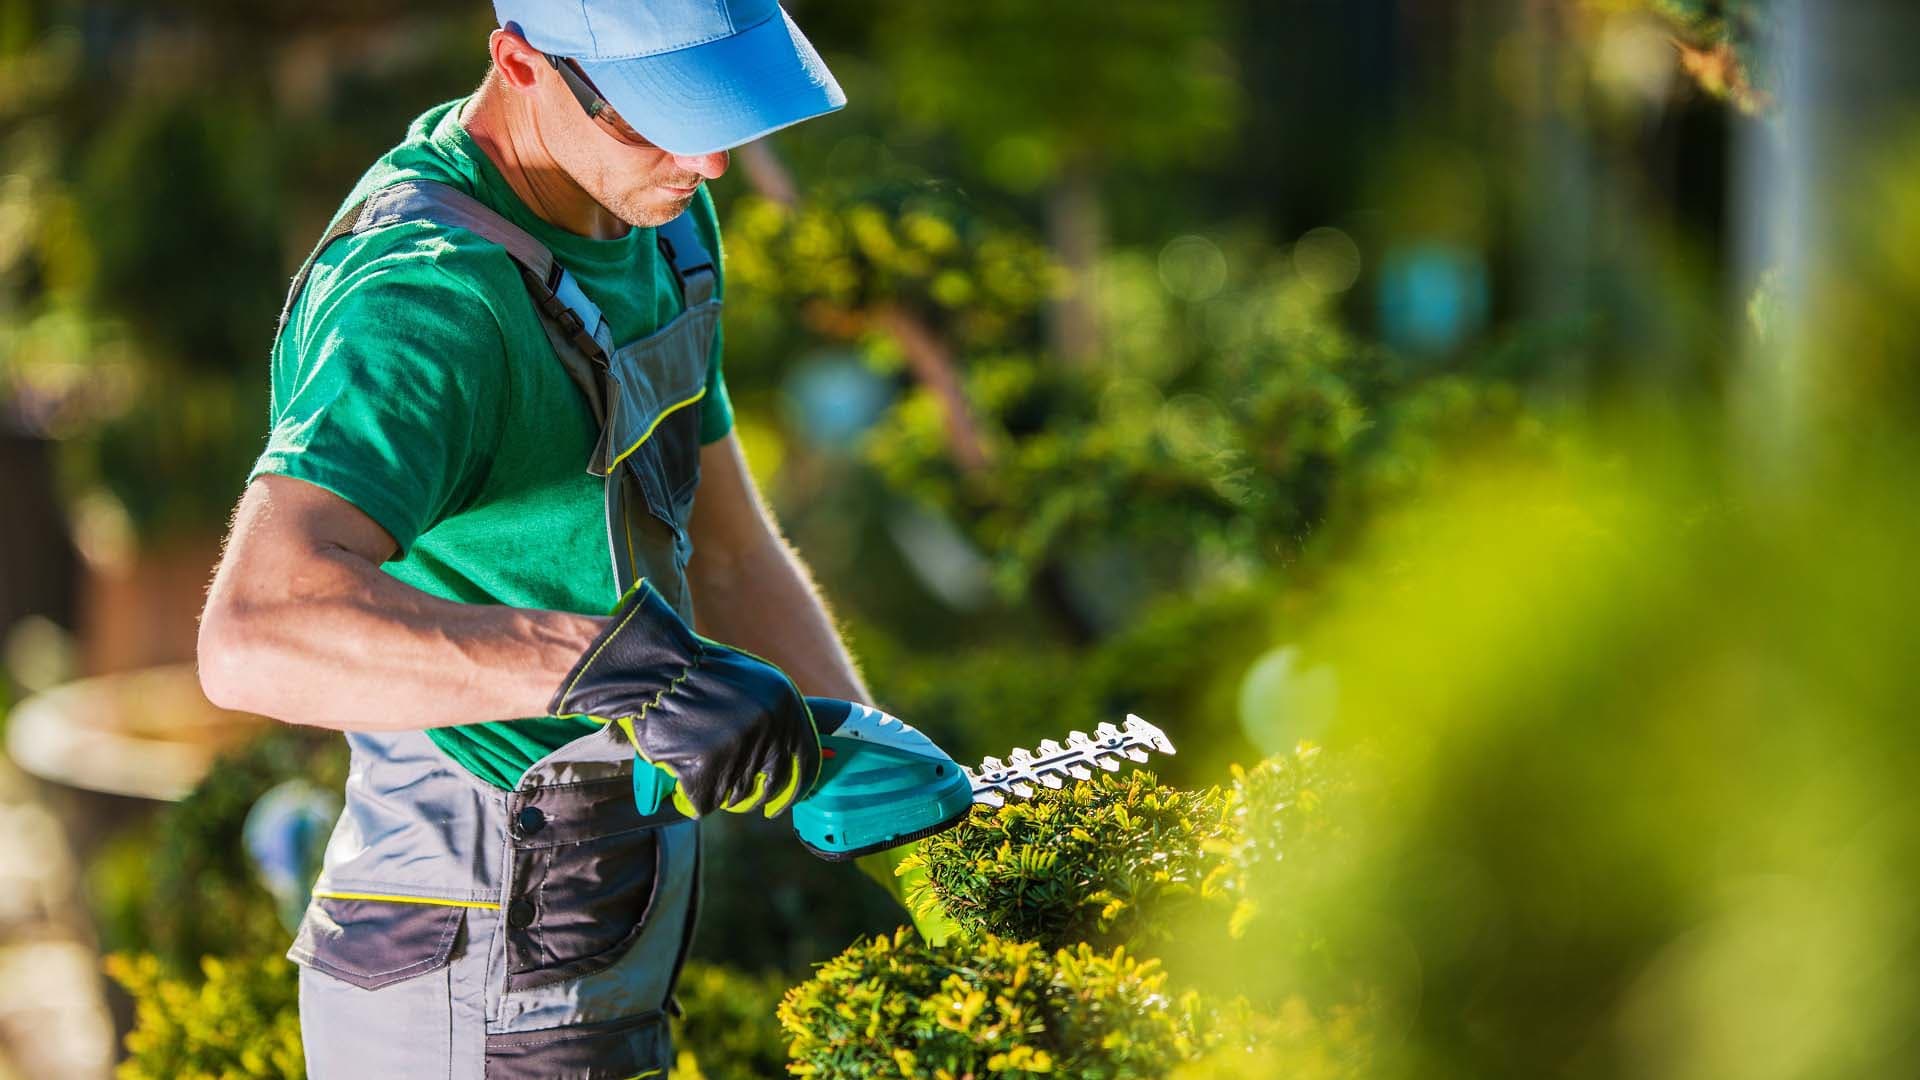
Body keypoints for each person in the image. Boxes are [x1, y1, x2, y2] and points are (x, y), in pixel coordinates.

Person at [196, 2, 866, 1075]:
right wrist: (623, 672)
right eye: (659, 116)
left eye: (719, 112)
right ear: (519, 63)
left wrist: (862, 762)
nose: (707, 160)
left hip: (609, 913)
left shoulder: (658, 218)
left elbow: (731, 549)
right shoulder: (428, 300)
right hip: (470, 945)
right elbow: (255, 631)